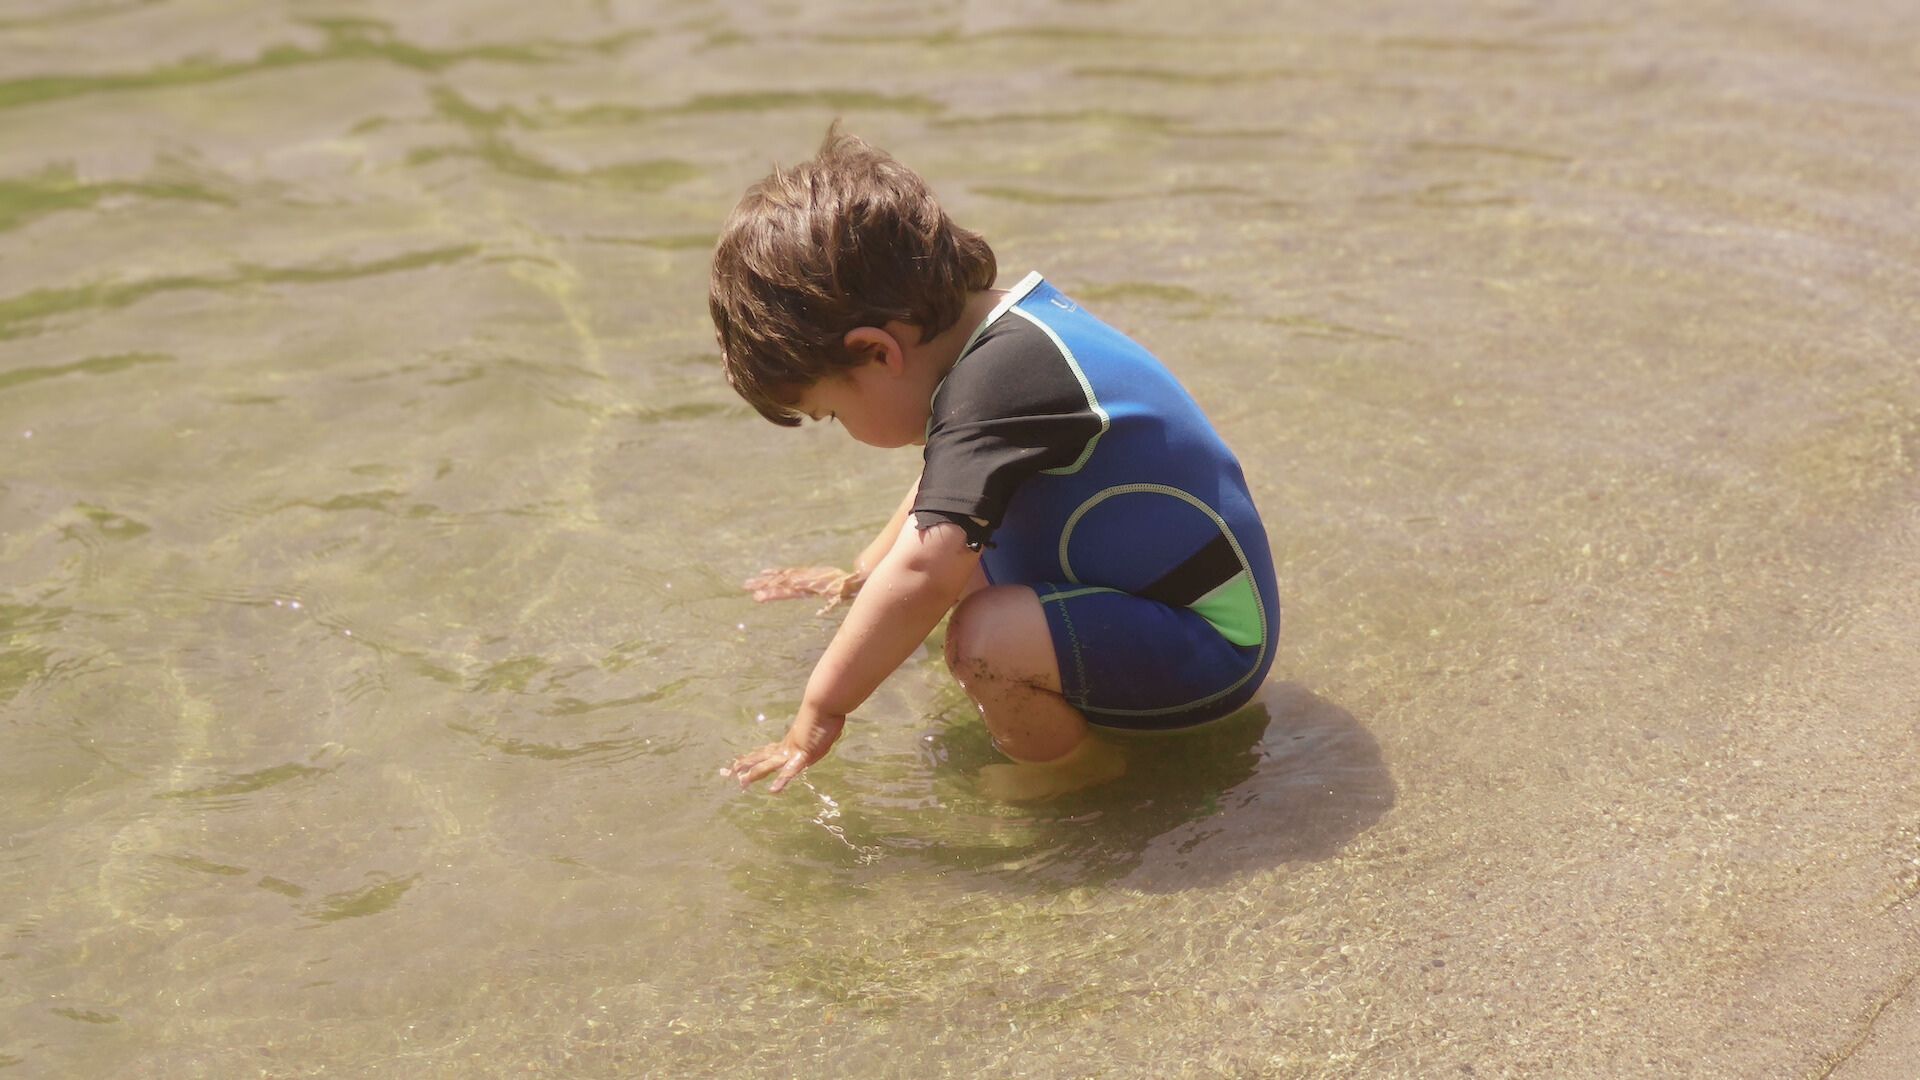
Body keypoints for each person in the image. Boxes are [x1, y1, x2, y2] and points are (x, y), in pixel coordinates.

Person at [710, 127, 1280, 800]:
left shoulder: (1001, 384)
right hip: (1151, 600)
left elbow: (925, 567)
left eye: (832, 413)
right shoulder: (1001, 345)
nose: (844, 430)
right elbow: (940, 492)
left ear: (875, 352)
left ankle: (1076, 771)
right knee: (949, 559)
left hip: (1212, 649)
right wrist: (862, 576)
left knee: (983, 638)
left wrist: (819, 711)